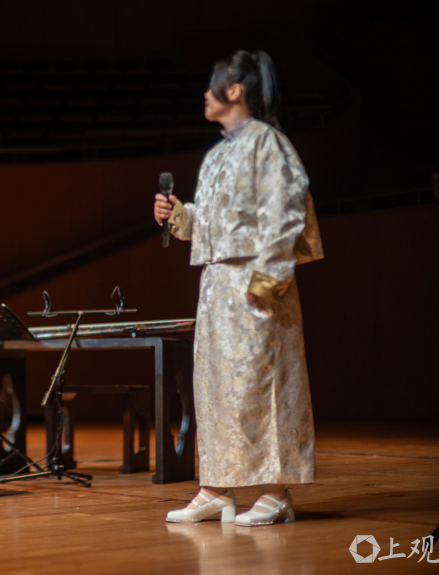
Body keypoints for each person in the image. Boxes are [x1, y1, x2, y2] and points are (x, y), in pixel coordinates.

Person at [153, 50, 323, 526]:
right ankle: (215, 487)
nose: (205, 94)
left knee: (264, 384)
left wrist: (267, 281)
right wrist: (180, 215)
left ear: (235, 90)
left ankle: (276, 490)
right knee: (217, 389)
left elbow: (285, 211)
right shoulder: (219, 153)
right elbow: (212, 223)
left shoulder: (267, 143)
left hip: (255, 282)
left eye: (214, 84)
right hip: (217, 286)